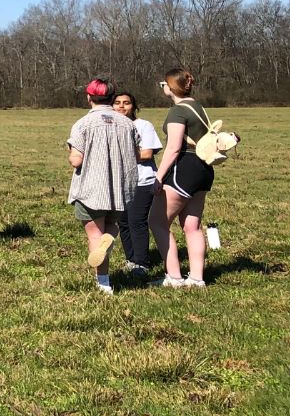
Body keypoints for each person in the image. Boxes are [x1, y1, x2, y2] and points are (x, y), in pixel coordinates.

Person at [66, 78, 140, 296]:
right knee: (110, 227)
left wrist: (71, 150)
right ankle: (110, 237)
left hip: (92, 189)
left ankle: (103, 283)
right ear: (111, 98)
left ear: (89, 97)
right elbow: (137, 154)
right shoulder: (128, 123)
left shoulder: (83, 124)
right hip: (119, 190)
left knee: (94, 236)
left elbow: (76, 160)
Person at [149, 68, 216, 288]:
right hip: (203, 170)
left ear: (170, 86)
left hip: (183, 169)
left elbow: (174, 147)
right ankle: (197, 278)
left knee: (158, 222)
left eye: (163, 84)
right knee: (192, 226)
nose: (163, 87)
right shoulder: (199, 107)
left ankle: (174, 276)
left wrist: (158, 177)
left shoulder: (177, 111)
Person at [112, 91, 161, 276]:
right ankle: (131, 259)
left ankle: (142, 263)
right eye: (117, 102)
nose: (122, 106)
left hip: (142, 180)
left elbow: (147, 154)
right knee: (122, 222)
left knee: (136, 220)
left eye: (126, 102)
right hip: (119, 182)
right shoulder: (109, 126)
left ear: (134, 106)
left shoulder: (143, 125)